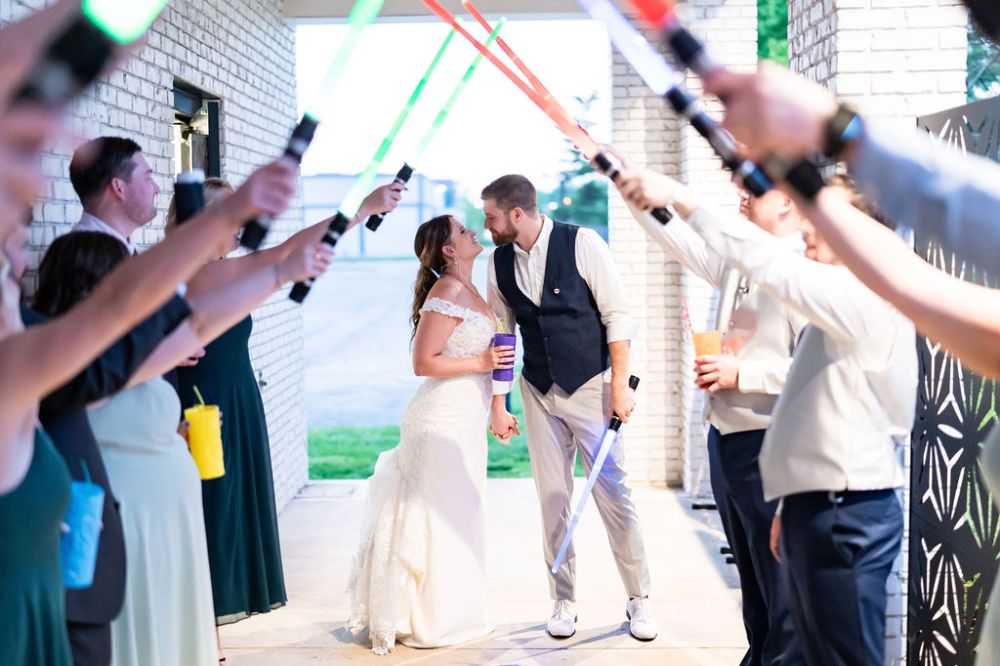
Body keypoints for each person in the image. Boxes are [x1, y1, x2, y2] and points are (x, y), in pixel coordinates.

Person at [623, 172, 917, 664]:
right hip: (815, 496)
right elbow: (813, 410)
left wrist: (678, 194)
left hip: (847, 509)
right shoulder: (835, 295)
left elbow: (765, 259)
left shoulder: (858, 296)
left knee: (831, 653)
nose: (809, 227)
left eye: (825, 218)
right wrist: (791, 506)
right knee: (800, 637)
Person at [32, 223, 330, 666]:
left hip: (170, 518)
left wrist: (173, 436)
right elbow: (97, 397)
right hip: (129, 522)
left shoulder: (126, 351)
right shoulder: (73, 363)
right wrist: (278, 272)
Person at [166, 177, 401, 659]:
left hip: (233, 399)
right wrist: (360, 208)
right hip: (205, 405)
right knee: (211, 517)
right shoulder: (195, 273)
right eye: (234, 224)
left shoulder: (198, 269)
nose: (240, 234)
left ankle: (206, 642)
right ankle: (195, 643)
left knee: (216, 517)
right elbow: (287, 253)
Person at [611, 160, 807, 664]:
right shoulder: (742, 260)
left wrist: (743, 375)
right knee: (752, 577)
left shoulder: (803, 271)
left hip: (770, 442)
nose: (740, 192)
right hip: (726, 441)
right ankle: (758, 653)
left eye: (755, 186)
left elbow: (817, 372)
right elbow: (676, 236)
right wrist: (627, 183)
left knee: (780, 580)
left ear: (787, 200)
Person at [482, 174, 657, 641]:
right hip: (538, 391)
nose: (486, 226)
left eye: (491, 217)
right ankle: (562, 598)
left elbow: (618, 315)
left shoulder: (582, 243)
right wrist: (499, 403)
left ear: (516, 213)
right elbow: (502, 335)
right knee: (553, 498)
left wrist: (620, 385)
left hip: (591, 386)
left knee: (614, 495)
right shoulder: (497, 263)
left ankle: (639, 598)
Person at [347, 214, 514, 655]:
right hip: (439, 419)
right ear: (447, 250)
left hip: (467, 420)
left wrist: (499, 405)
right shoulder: (448, 290)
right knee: (440, 515)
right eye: (462, 231)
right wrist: (480, 364)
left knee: (461, 512)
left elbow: (496, 355)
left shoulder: (475, 292)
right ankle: (430, 618)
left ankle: (456, 610)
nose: (472, 231)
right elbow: (423, 362)